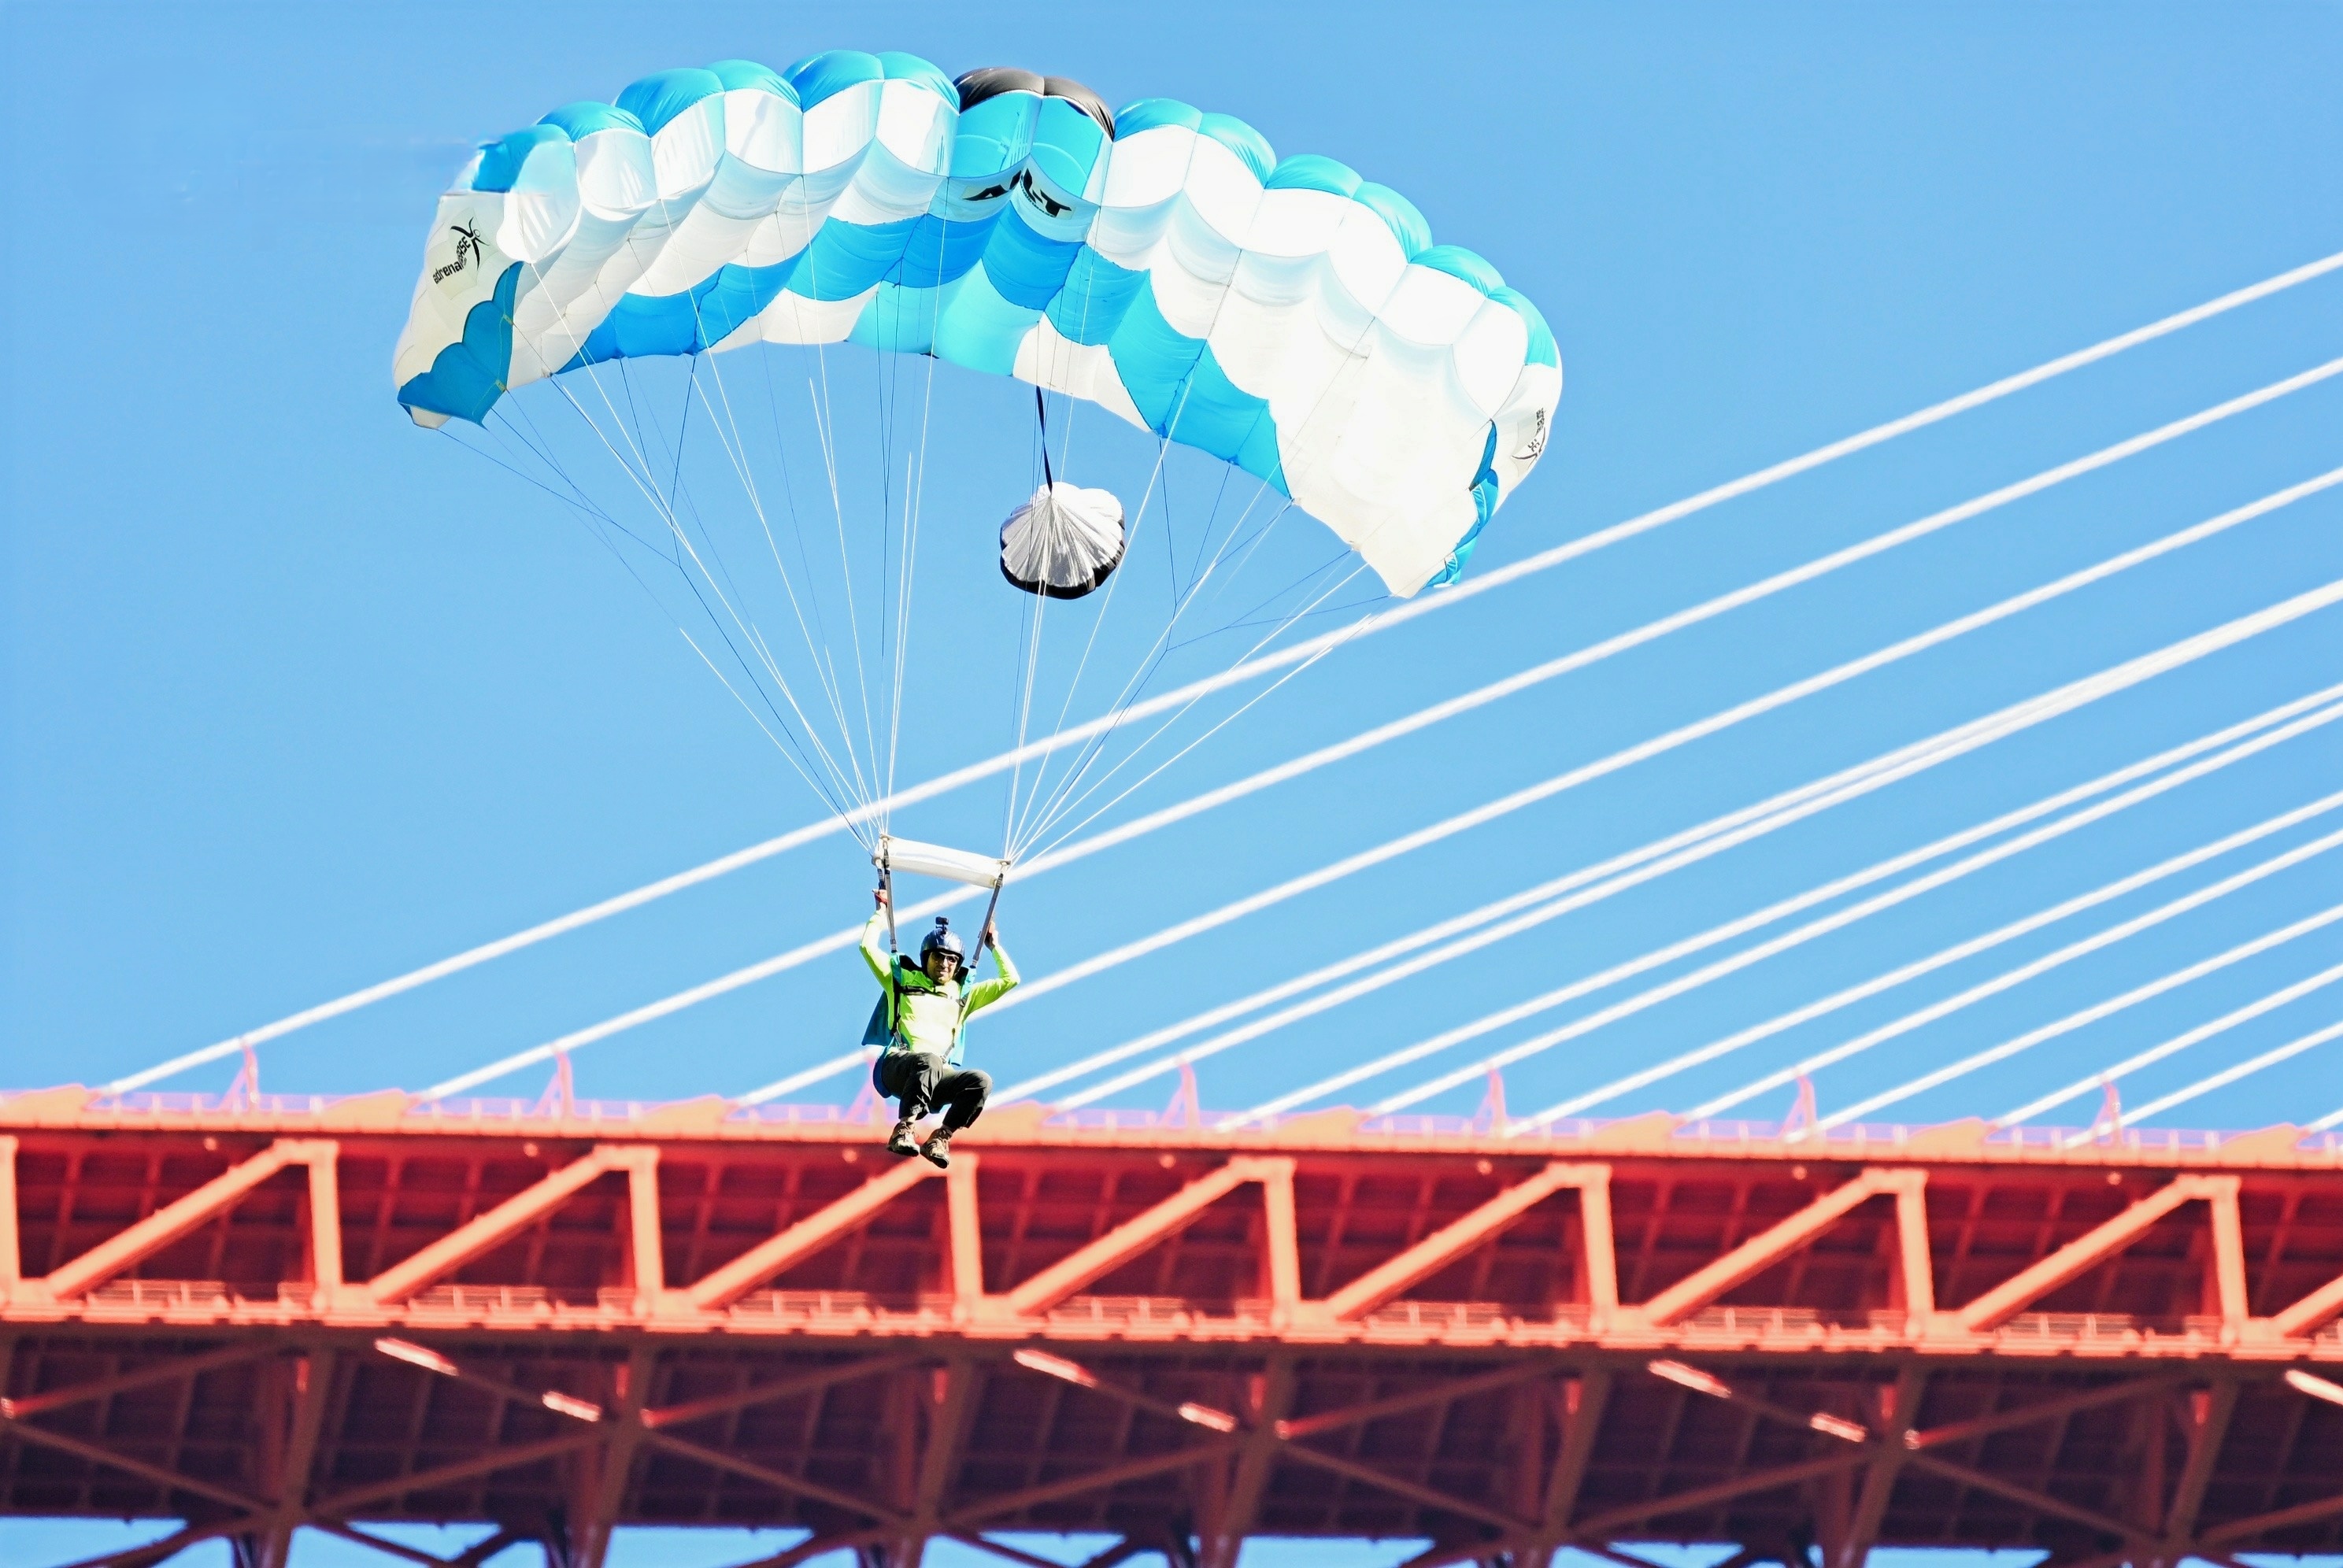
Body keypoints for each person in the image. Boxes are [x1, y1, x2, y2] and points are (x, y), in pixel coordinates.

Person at [861, 887, 1018, 1167]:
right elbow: (867, 948)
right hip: (898, 1067)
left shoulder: (963, 995)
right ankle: (905, 1129)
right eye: (938, 957)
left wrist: (994, 946)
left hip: (935, 1077)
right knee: (929, 1061)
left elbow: (1010, 980)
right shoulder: (901, 980)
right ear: (927, 958)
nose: (944, 964)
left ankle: (941, 1137)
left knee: (981, 1081)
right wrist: (880, 915)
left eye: (951, 960)